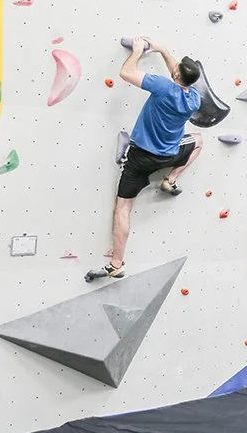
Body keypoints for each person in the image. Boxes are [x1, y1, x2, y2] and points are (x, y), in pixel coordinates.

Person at [87, 36, 203, 281]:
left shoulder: (163, 86)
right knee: (199, 141)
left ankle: (116, 263)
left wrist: (138, 51)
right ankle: (170, 180)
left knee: (123, 207)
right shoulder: (193, 98)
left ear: (175, 76)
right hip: (168, 155)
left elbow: (126, 73)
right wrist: (162, 49)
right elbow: (178, 74)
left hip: (140, 157)